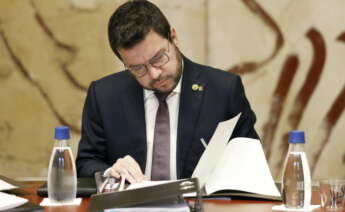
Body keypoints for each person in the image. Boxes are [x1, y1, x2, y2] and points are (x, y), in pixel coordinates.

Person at [76, 0, 259, 184]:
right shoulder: (104, 95)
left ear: (173, 37)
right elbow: (86, 162)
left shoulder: (223, 90)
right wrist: (110, 171)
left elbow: (252, 163)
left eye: (158, 58)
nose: (154, 74)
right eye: (138, 68)